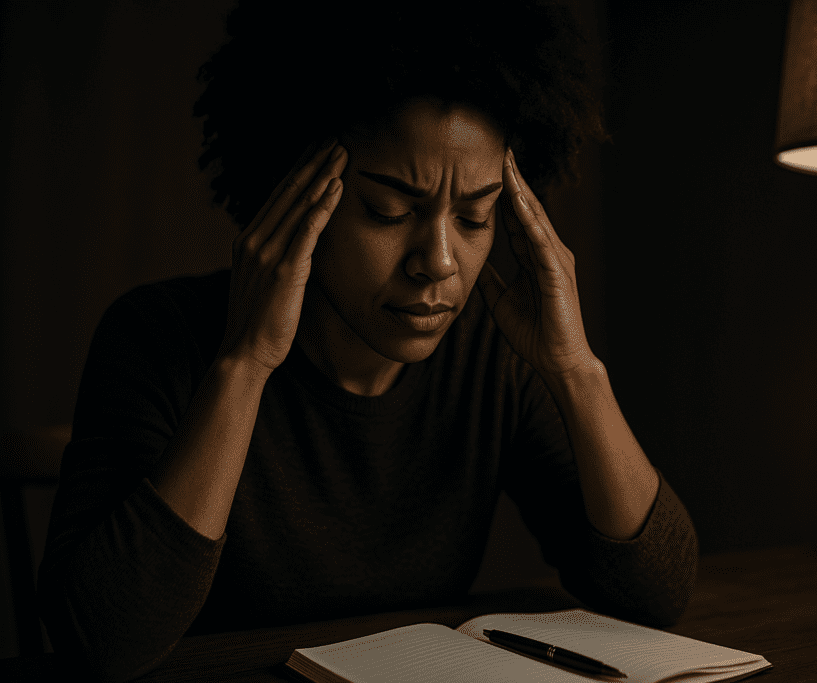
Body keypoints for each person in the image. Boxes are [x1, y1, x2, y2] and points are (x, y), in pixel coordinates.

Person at [37, 1, 699, 681]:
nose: (437, 260)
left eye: (475, 216)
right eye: (389, 210)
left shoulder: (491, 358)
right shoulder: (155, 337)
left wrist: (575, 369)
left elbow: (657, 592)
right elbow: (102, 642)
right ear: (292, 191)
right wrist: (245, 364)